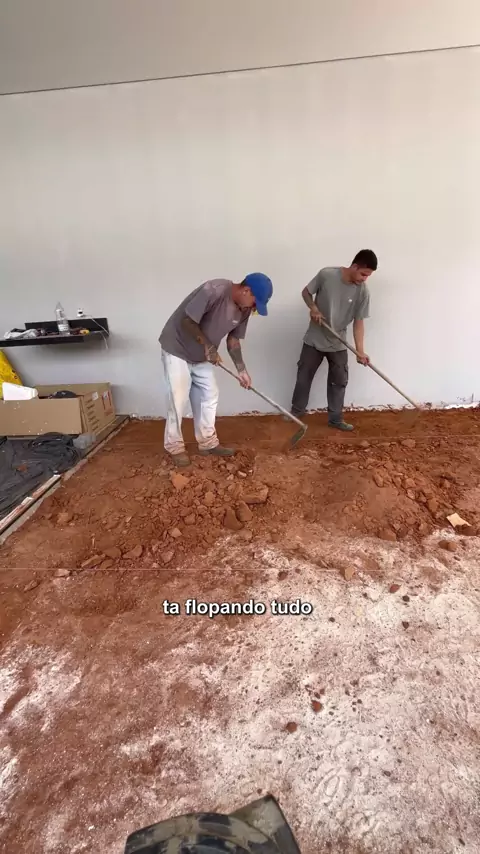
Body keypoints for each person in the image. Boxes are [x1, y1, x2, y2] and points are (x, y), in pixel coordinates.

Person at [159, 273, 273, 466]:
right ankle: (175, 446)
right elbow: (187, 320)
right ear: (246, 291)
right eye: (255, 303)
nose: (254, 308)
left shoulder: (244, 310)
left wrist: (242, 370)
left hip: (202, 354)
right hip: (177, 348)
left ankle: (207, 443)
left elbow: (233, 340)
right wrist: (208, 347)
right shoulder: (213, 290)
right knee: (178, 397)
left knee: (209, 394)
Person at [289, 249, 378, 431]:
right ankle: (296, 414)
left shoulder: (363, 292)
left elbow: (358, 323)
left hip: (338, 342)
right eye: (363, 274)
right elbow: (306, 293)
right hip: (314, 338)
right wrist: (313, 308)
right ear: (354, 266)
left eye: (368, 276)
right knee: (304, 377)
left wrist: (360, 351)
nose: (365, 279)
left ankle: (335, 419)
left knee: (339, 381)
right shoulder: (327, 275)